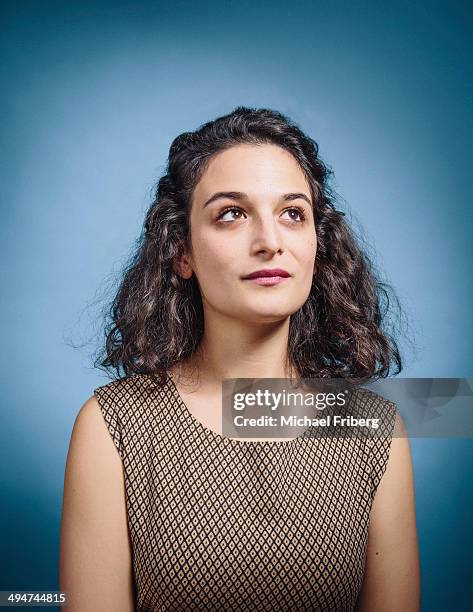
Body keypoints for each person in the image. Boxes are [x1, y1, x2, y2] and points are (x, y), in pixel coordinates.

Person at [59, 107, 420, 611]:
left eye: (293, 213)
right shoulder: (110, 426)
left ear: (318, 242)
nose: (270, 242)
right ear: (181, 251)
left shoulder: (377, 427)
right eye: (232, 213)